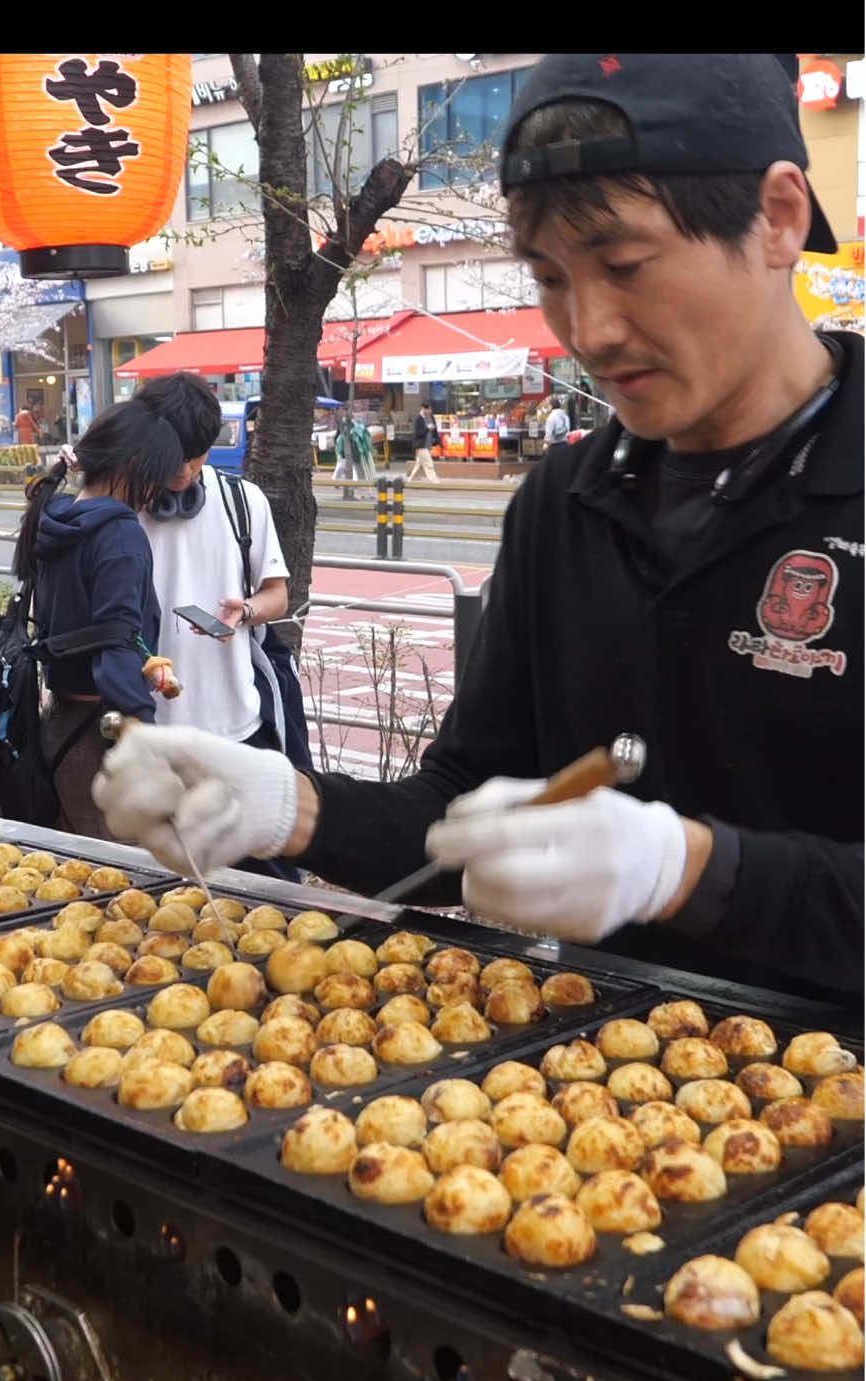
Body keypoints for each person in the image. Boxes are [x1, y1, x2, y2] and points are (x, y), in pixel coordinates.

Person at [92, 54, 863, 1008]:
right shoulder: (568, 499)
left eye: (625, 266)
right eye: (549, 279)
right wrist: (286, 805)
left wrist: (693, 869)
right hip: (582, 1095)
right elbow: (463, 811)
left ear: (779, 217)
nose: (592, 328)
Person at [131, 371, 298, 878]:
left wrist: (245, 611)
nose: (185, 469)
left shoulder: (244, 502)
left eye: (198, 454)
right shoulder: (117, 510)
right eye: (175, 455)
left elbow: (277, 595)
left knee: (266, 897)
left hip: (237, 734)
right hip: (146, 740)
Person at [13, 397, 188, 839]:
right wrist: (141, 737)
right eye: (156, 477)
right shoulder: (119, 534)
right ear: (133, 466)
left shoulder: (57, 516)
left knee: (66, 869)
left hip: (57, 726)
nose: (158, 491)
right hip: (99, 735)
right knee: (114, 886)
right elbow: (117, 641)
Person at [408, 402, 440, 482]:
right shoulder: (419, 419)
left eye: (430, 409)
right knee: (428, 464)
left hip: (428, 445)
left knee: (419, 464)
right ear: (423, 409)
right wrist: (427, 428)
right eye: (428, 409)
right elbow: (418, 433)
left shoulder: (431, 417)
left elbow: (435, 430)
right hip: (421, 445)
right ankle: (435, 481)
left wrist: (438, 440)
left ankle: (411, 480)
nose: (430, 411)